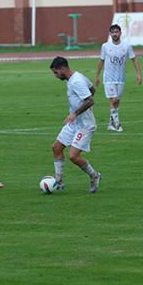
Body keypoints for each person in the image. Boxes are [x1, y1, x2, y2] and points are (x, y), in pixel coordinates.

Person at [50, 56, 102, 193]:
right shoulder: (77, 76)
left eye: (56, 72)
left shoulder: (76, 81)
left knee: (73, 156)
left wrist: (75, 113)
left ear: (63, 69)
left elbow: (91, 100)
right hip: (75, 123)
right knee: (56, 147)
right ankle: (59, 182)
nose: (55, 76)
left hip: (85, 125)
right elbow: (92, 89)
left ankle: (94, 175)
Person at [95, 24, 142, 132]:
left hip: (120, 78)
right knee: (114, 100)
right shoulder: (105, 46)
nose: (115, 34)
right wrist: (97, 75)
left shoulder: (127, 46)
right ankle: (117, 124)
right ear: (110, 34)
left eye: (117, 32)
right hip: (108, 79)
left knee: (117, 103)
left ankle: (110, 124)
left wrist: (138, 74)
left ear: (120, 33)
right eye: (113, 32)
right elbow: (101, 61)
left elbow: (134, 59)